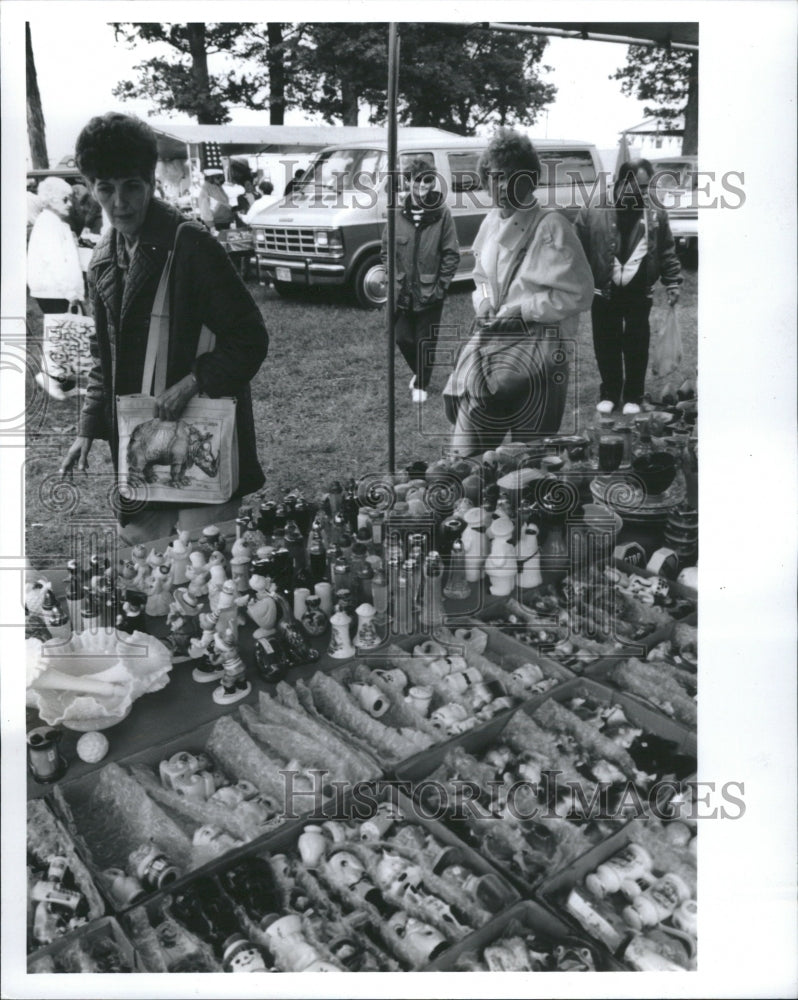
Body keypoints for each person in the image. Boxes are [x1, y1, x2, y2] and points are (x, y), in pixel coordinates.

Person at [59, 113, 269, 545]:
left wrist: (191, 383)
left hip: (200, 434)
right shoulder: (102, 257)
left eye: (131, 186)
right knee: (142, 556)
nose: (119, 202)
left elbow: (249, 338)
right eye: (106, 188)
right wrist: (87, 427)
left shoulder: (191, 244)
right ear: (91, 188)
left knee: (204, 567)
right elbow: (105, 355)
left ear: (150, 182)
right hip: (139, 441)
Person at [444, 129, 594, 456]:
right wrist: (483, 301)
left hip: (541, 356)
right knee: (470, 451)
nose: (500, 186)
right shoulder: (491, 223)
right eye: (494, 176)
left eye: (510, 177)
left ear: (528, 180)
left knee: (531, 457)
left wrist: (524, 311)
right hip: (496, 349)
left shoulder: (552, 227)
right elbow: (481, 274)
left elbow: (581, 294)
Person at [575, 159, 682, 416]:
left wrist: (672, 281)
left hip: (638, 289)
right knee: (605, 342)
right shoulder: (593, 207)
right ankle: (610, 392)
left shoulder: (655, 211)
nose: (645, 192)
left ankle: (634, 394)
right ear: (622, 182)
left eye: (647, 187)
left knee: (636, 342)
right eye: (640, 186)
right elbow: (576, 248)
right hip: (604, 290)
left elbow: (667, 249)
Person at [381, 158, 460, 403]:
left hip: (430, 292)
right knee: (402, 337)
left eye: (429, 180)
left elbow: (451, 253)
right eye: (418, 180)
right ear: (408, 182)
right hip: (403, 292)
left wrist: (441, 286)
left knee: (426, 341)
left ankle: (422, 384)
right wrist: (392, 278)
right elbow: (386, 251)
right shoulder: (396, 214)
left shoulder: (442, 213)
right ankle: (420, 372)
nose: (424, 185)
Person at [27, 175, 85, 314]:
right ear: (51, 201)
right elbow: (55, 261)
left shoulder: (52, 221)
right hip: (56, 292)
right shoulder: (49, 223)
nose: (70, 204)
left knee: (64, 333)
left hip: (56, 291)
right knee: (65, 333)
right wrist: (70, 293)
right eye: (65, 200)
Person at [198, 168, 236, 232]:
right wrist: (211, 226)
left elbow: (223, 202)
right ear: (213, 176)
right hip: (216, 224)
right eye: (219, 176)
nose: (221, 179)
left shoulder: (217, 186)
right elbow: (205, 208)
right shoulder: (206, 188)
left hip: (224, 222)